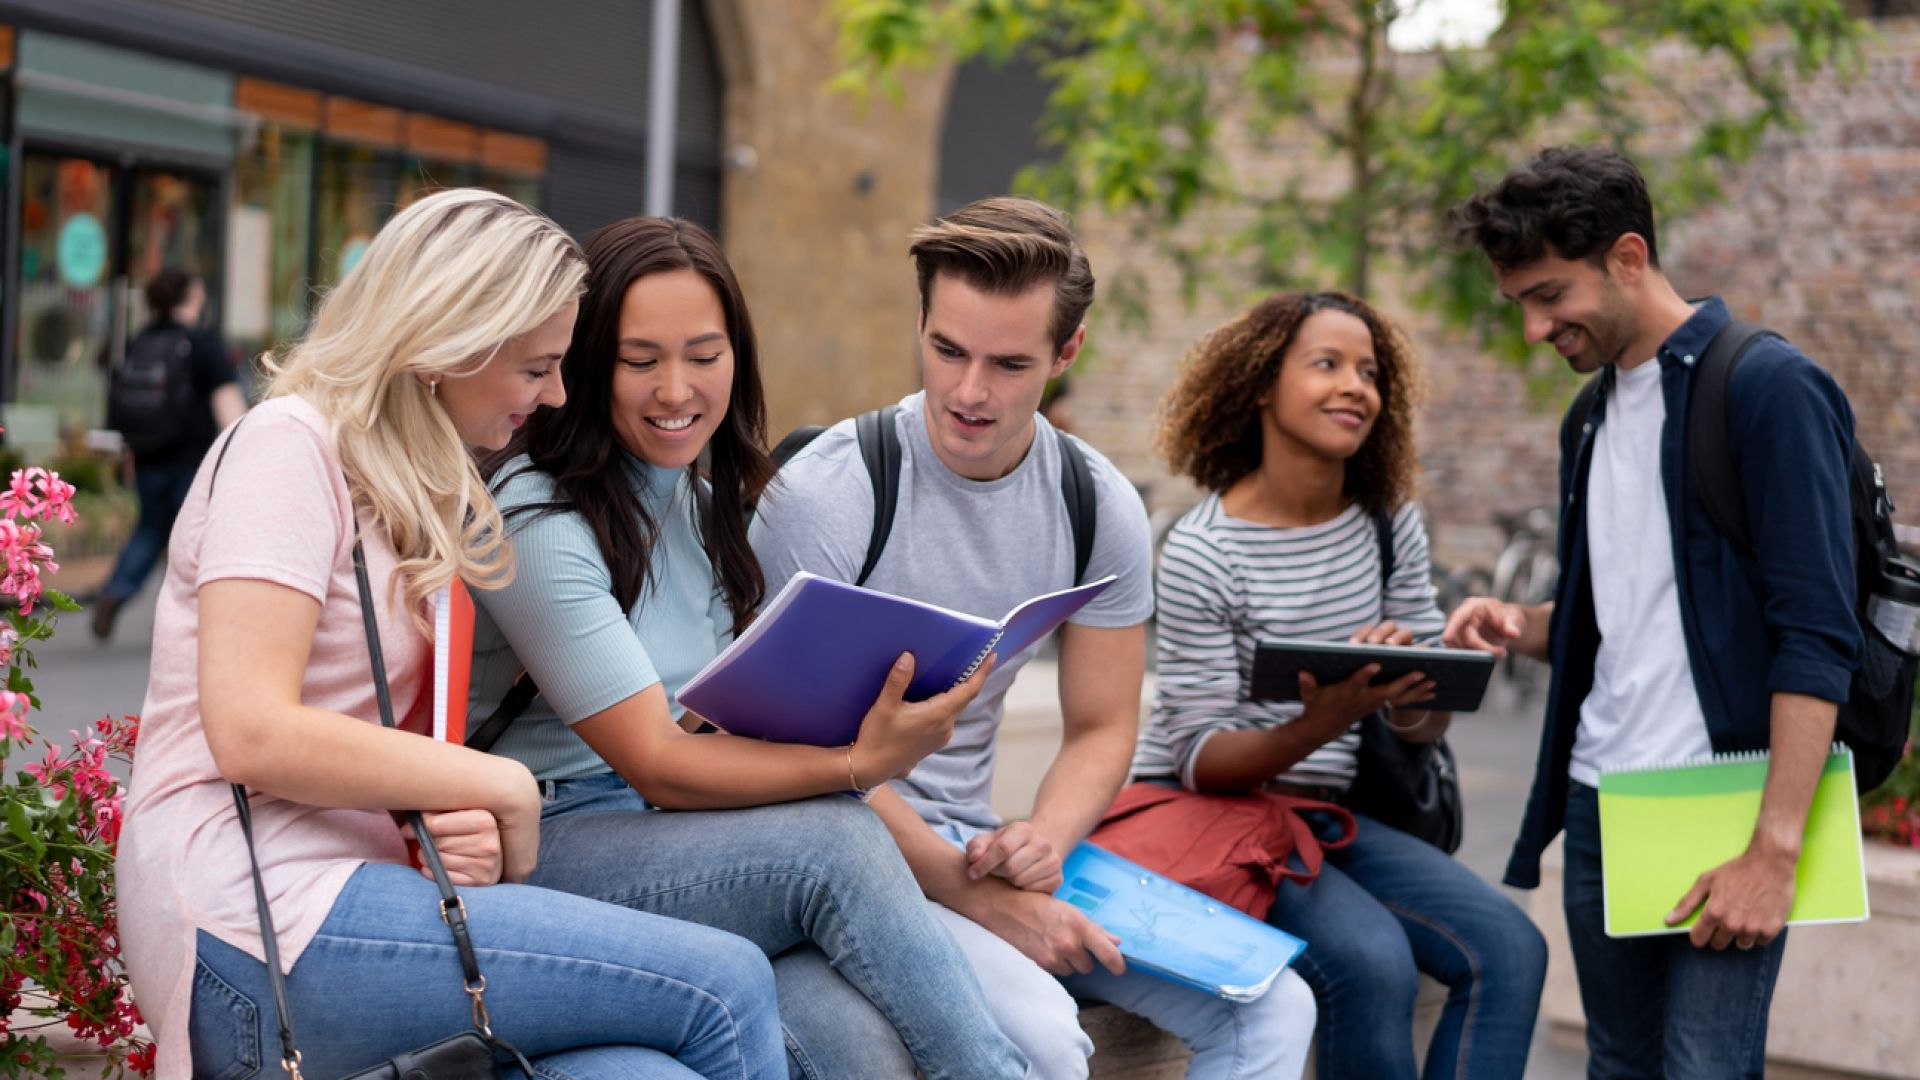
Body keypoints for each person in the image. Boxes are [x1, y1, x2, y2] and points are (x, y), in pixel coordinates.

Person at [117, 189, 787, 1080]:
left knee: (641, 1070)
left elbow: (371, 732)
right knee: (723, 983)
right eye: (538, 366)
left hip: (371, 893)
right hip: (253, 920)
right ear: (448, 345)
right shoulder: (287, 446)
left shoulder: (413, 489)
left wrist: (441, 816)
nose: (554, 396)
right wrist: (496, 782)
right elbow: (251, 727)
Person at [752, 196, 1319, 1080]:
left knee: (1278, 1008)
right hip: (847, 848)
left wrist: (1045, 839)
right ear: (921, 325)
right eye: (947, 351)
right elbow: (779, 749)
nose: (970, 392)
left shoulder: (1095, 505)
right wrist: (975, 893)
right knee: (1050, 1039)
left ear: (1068, 352)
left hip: (983, 845)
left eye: (1010, 363)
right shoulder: (831, 492)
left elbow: (1101, 726)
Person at [466, 215, 1026, 1080]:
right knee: (833, 841)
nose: (675, 389)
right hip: (552, 844)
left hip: (682, 840)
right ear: (584, 363)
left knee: (867, 1057)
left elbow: (708, 729)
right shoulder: (534, 518)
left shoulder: (704, 506)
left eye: (704, 354)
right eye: (640, 359)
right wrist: (853, 762)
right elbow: (654, 760)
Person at [1445, 146, 1860, 1079]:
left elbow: (1816, 633)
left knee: (1703, 1069)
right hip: (1606, 800)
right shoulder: (1588, 418)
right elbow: (1629, 618)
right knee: (1618, 1066)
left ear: (1628, 257)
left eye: (1549, 296)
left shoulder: (1766, 387)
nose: (1534, 328)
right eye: (1520, 303)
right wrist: (1522, 625)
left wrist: (1774, 850)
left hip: (1727, 801)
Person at [1134, 291, 1548, 1078]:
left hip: (1336, 817)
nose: (1354, 386)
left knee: (1509, 945)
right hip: (1223, 824)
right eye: (1326, 364)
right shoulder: (1202, 552)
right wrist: (1322, 720)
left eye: (1369, 371)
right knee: (1372, 964)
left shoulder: (1390, 524)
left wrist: (1406, 698)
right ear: (1260, 384)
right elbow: (1196, 758)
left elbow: (1424, 730)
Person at [91, 268, 245, 640]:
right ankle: (184, 618)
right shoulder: (202, 343)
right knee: (192, 539)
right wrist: (242, 448)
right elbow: (228, 404)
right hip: (193, 460)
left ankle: (115, 591)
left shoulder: (139, 340)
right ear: (192, 297)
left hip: (148, 457)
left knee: (149, 530)